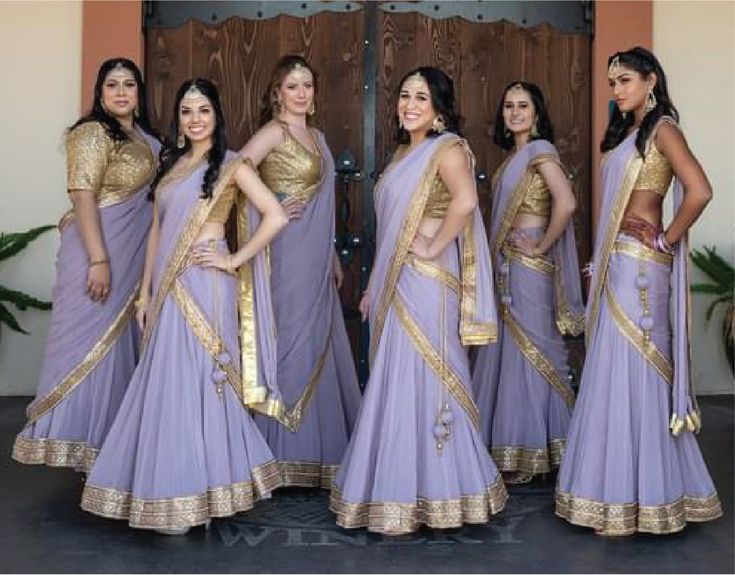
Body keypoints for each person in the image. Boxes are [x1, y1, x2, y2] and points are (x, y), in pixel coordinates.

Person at [80, 78, 288, 534]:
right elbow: (156, 229)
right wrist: (146, 294)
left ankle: (208, 491)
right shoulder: (172, 167)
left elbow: (275, 214)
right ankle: (172, 490)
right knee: (168, 379)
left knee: (202, 380)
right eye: (187, 111)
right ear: (178, 119)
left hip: (207, 285)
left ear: (217, 116)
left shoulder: (233, 166)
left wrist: (233, 257)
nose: (195, 119)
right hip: (168, 289)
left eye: (204, 111)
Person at [330, 67, 506, 535]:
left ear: (439, 109)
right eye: (405, 96)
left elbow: (466, 201)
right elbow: (390, 232)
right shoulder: (404, 154)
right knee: (396, 376)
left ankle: (445, 491)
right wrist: (372, 286)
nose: (409, 105)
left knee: (430, 375)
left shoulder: (446, 149)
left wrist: (430, 247)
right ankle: (400, 491)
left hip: (429, 281)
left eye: (421, 98)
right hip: (398, 279)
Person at [555, 47, 722, 535]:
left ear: (651, 81)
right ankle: (615, 493)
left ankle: (646, 496)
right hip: (616, 265)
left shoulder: (663, 129)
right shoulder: (629, 133)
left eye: (625, 80)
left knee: (636, 370)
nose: (617, 90)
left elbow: (700, 190)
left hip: (642, 269)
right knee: (611, 368)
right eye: (612, 83)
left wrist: (667, 238)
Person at [13, 58, 160, 472]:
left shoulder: (147, 138)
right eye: (111, 84)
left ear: (139, 93)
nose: (120, 92)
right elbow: (82, 195)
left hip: (134, 260)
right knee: (87, 345)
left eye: (129, 84)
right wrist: (98, 258)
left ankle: (109, 446)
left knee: (119, 346)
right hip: (97, 254)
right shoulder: (92, 132)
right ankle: (79, 442)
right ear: (99, 92)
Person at [241, 55, 361, 489]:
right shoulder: (274, 132)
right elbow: (236, 170)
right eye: (292, 86)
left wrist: (331, 255)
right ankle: (275, 454)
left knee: (315, 336)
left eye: (307, 85)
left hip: (315, 254)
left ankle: (316, 455)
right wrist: (269, 204)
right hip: (284, 251)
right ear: (277, 92)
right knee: (287, 336)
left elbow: (324, 202)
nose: (301, 93)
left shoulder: (317, 136)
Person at [472, 81, 583, 484]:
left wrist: (541, 247)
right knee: (513, 353)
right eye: (509, 106)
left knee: (534, 350)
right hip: (508, 265)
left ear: (537, 113)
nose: (515, 112)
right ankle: (520, 449)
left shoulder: (540, 151)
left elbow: (566, 202)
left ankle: (540, 451)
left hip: (529, 268)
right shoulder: (514, 156)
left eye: (523, 106)